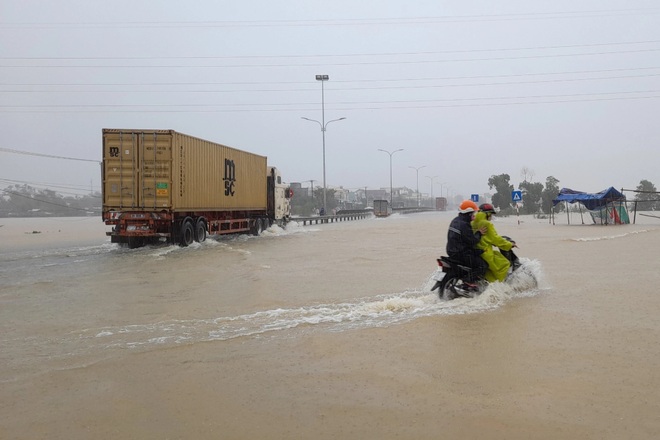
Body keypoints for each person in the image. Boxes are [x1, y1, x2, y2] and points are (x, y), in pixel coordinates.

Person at [471, 203, 516, 282]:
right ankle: (500, 285)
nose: (491, 217)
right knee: (504, 264)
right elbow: (495, 239)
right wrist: (509, 244)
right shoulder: (487, 224)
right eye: (491, 215)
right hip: (486, 253)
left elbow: (485, 238)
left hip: (475, 252)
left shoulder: (472, 223)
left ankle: (489, 283)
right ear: (487, 214)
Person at [446, 200, 488, 282]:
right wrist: (479, 233)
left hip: (451, 251)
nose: (474, 216)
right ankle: (467, 282)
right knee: (483, 266)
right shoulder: (464, 225)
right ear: (469, 214)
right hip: (461, 253)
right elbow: (472, 241)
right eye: (473, 214)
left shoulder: (455, 221)